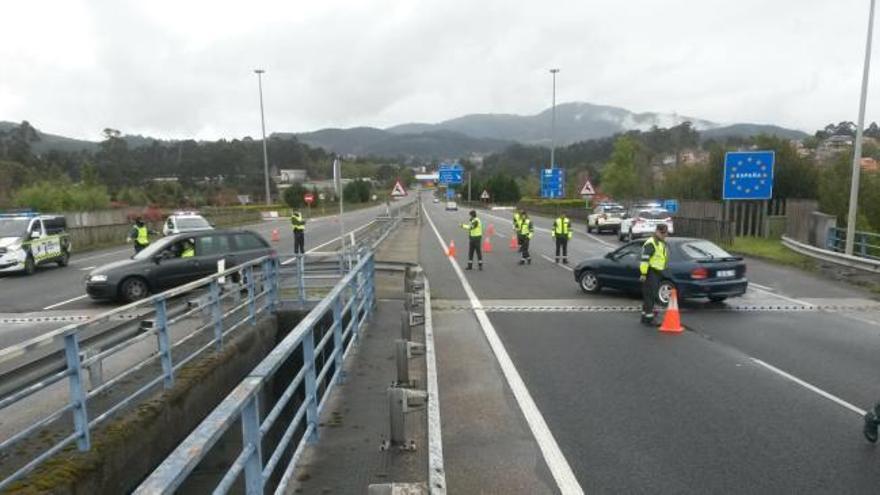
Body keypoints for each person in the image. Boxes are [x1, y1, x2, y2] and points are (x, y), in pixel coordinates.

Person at [639, 224, 669, 325]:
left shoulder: (660, 242)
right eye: (662, 233)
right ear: (657, 231)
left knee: (650, 295)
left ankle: (644, 316)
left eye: (665, 233)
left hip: (656, 272)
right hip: (650, 272)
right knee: (650, 296)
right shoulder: (652, 243)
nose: (665, 235)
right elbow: (645, 260)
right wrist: (643, 273)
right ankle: (649, 319)